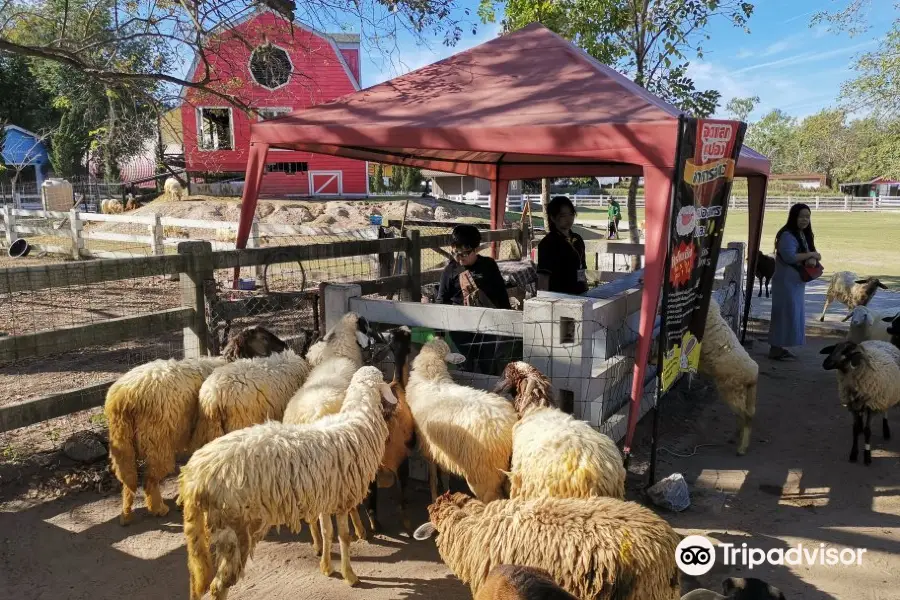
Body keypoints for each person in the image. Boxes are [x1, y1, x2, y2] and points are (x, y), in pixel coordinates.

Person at [437, 225, 514, 374]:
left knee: (488, 367)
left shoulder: (488, 266)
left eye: (465, 253)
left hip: (487, 326)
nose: (460, 258)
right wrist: (438, 334)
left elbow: (501, 294)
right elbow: (442, 300)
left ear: (475, 249)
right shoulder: (450, 271)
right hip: (460, 328)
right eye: (456, 253)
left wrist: (508, 323)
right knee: (465, 367)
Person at [768, 203, 821, 360]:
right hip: (785, 282)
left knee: (790, 314)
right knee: (783, 315)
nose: (805, 220)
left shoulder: (801, 234)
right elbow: (790, 256)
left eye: (807, 217)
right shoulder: (787, 235)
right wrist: (812, 254)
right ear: (794, 217)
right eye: (802, 216)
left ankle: (779, 347)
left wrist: (812, 256)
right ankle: (775, 348)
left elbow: (803, 254)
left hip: (795, 282)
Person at [537, 196, 588, 295]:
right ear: (553, 217)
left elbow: (581, 270)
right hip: (558, 296)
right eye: (563, 215)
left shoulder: (578, 240)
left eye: (571, 214)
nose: (568, 219)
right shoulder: (547, 243)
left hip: (580, 294)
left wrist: (585, 289)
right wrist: (543, 300)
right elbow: (543, 277)